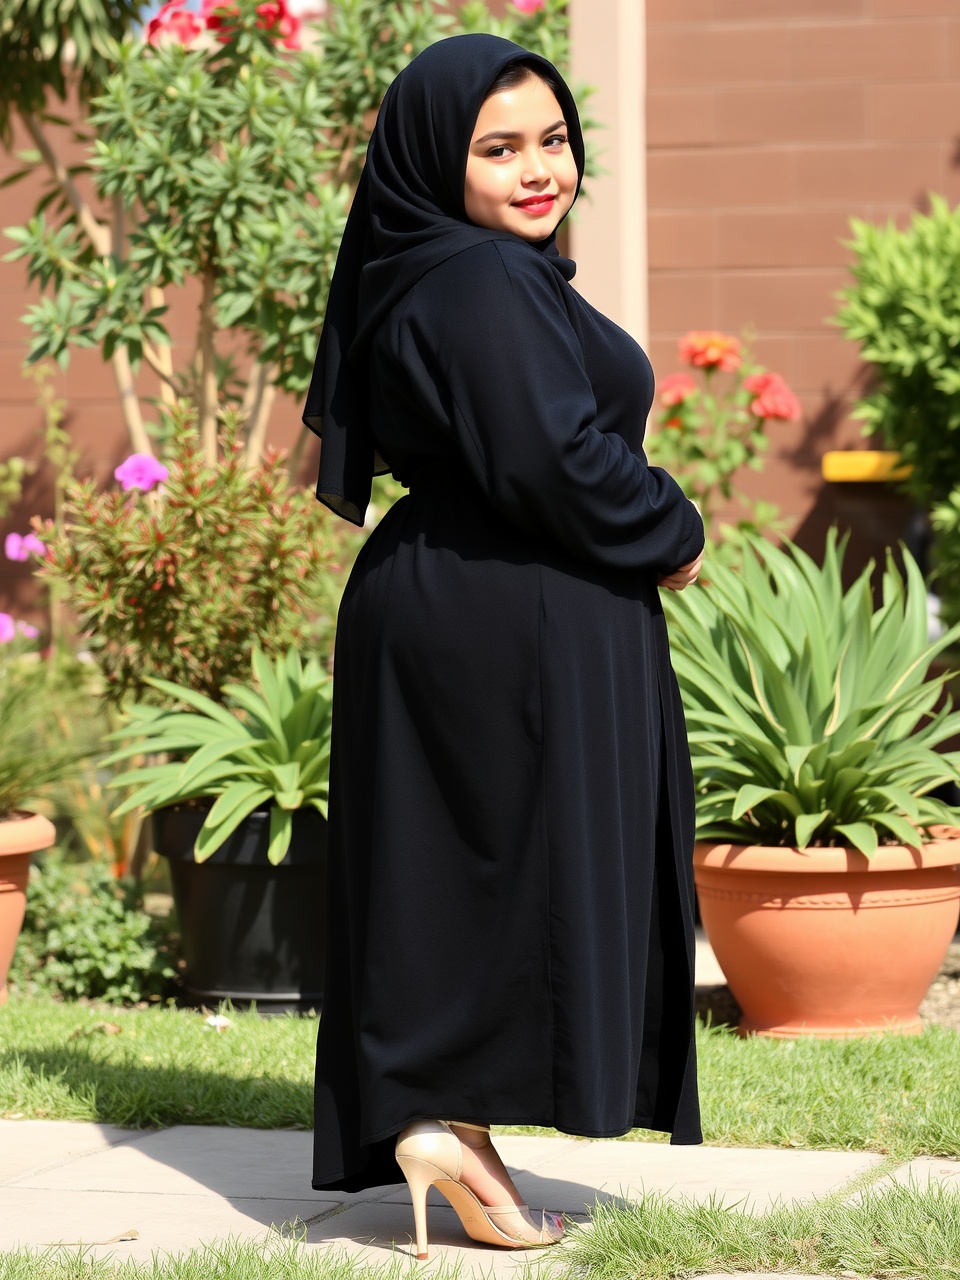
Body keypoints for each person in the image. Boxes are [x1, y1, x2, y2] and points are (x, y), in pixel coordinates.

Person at [302, 32, 705, 1261]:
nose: (540, 170)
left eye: (554, 140)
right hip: (498, 623)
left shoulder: (462, 269)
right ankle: (440, 1120)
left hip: (484, 607)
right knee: (491, 872)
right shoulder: (473, 279)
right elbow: (554, 459)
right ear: (437, 157)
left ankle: (447, 1127)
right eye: (499, 147)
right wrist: (673, 525)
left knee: (476, 874)